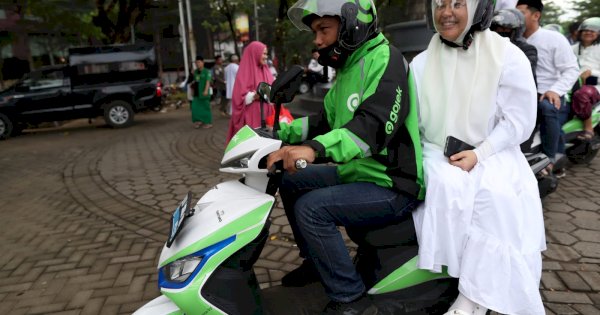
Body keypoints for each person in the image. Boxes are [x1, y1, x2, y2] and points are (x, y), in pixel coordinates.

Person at [267, 0, 424, 313]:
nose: (317, 40)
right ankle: (316, 260)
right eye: (315, 32)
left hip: (392, 182)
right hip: (359, 172)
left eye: (323, 29)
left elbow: (374, 127)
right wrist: (278, 133)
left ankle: (350, 298)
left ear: (352, 24)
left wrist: (314, 148)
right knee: (290, 178)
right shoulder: (348, 69)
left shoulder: (386, 59)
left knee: (312, 209)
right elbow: (324, 122)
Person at [410, 0, 546, 314]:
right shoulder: (421, 62)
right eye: (440, 4)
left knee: (495, 198)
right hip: (436, 149)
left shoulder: (507, 55)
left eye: (457, 3)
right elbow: (414, 122)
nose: (446, 12)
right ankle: (452, 280)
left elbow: (518, 121)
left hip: (492, 149)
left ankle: (474, 298)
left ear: (478, 8)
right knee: (448, 186)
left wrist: (479, 153)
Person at [517, 0, 579, 178]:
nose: (516, 17)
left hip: (547, 93)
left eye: (521, 12)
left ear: (536, 15)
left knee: (546, 107)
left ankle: (550, 160)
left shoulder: (554, 39)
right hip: (522, 93)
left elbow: (571, 69)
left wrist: (554, 90)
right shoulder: (512, 38)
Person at [226, 41, 274, 143]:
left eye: (266, 54)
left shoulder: (266, 70)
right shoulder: (244, 71)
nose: (266, 57)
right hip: (252, 117)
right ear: (255, 53)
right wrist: (253, 96)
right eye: (264, 53)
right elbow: (238, 98)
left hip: (268, 116)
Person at [490, 8, 538, 84]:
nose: (500, 32)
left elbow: (521, 75)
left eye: (506, 29)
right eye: (497, 28)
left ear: (517, 30)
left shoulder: (528, 50)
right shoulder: (489, 46)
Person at [571, 17, 600, 139]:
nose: (588, 32)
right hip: (574, 83)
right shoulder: (573, 48)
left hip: (595, 86)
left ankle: (588, 127)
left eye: (593, 30)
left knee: (582, 94)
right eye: (585, 30)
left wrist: (591, 72)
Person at [187, 55, 212, 129]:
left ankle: (208, 122)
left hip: (204, 93)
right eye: (196, 63)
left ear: (203, 62)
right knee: (195, 108)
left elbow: (208, 82)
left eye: (199, 62)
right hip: (196, 93)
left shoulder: (207, 71)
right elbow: (193, 82)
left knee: (205, 108)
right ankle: (198, 121)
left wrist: (206, 90)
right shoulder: (195, 72)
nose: (197, 64)